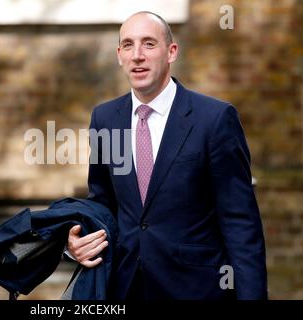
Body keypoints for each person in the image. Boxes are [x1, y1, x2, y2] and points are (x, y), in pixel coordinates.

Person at [66, 11, 268, 300]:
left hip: (196, 290)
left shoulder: (215, 119)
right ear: (119, 55)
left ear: (171, 52)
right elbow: (103, 204)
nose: (137, 55)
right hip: (124, 289)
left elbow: (240, 223)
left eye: (149, 44)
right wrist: (75, 242)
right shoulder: (105, 118)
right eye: (128, 45)